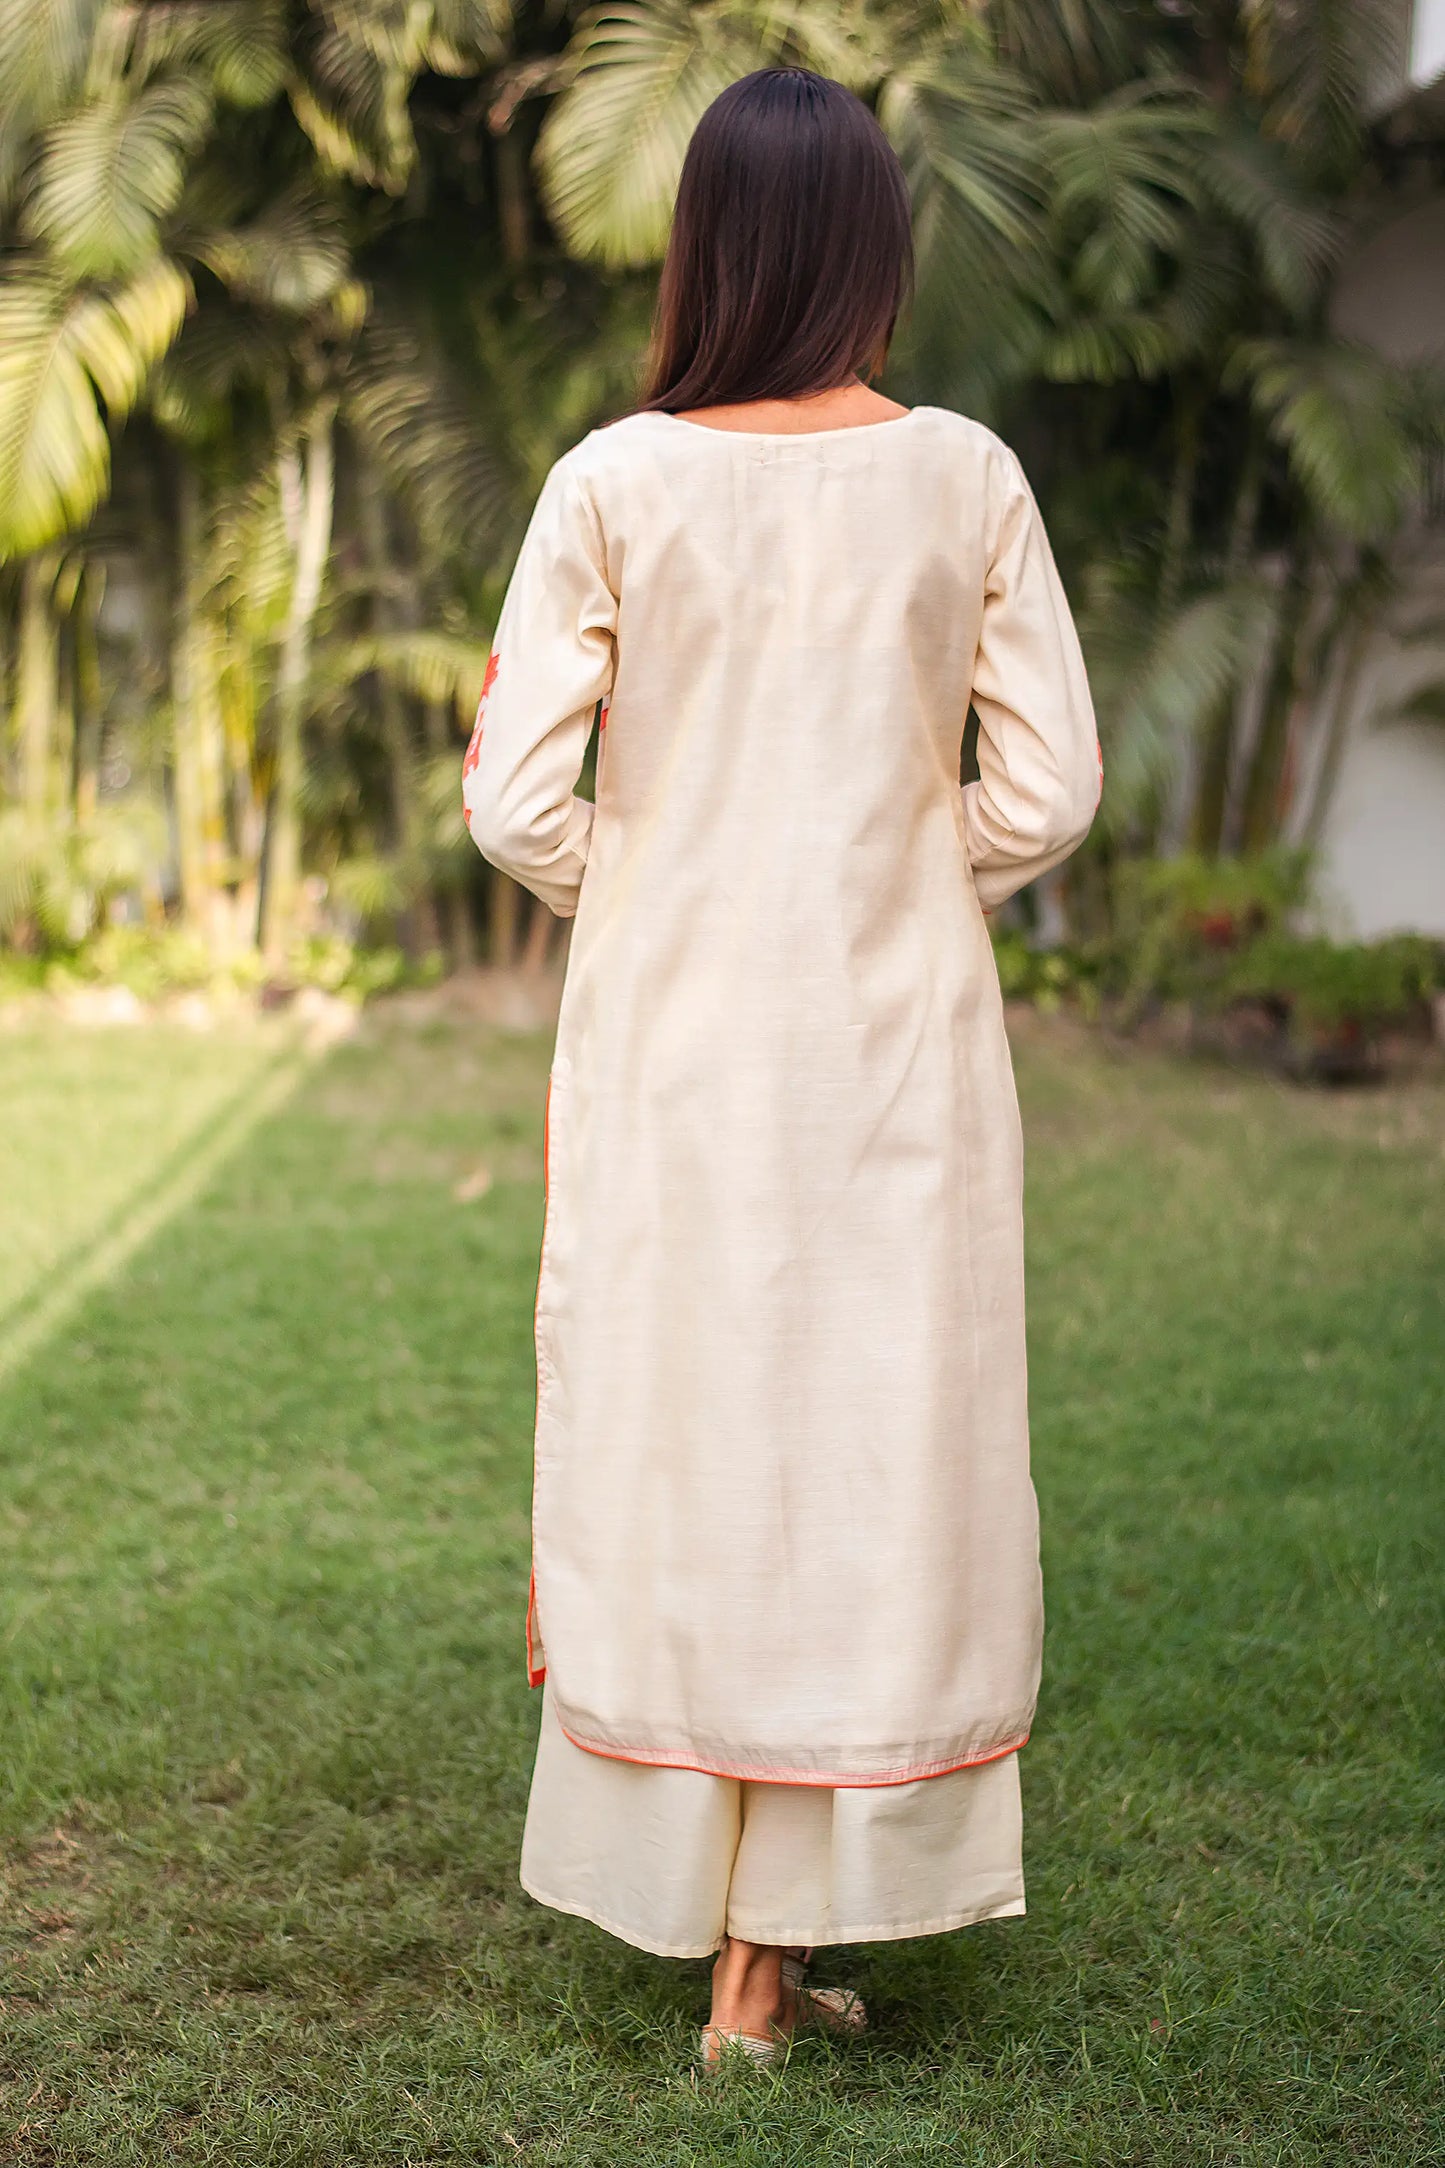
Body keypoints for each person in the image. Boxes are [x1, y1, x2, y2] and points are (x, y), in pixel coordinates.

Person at [462, 66, 1100, 2071]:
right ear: (875, 256)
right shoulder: (966, 475)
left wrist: (642, 882)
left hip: (672, 1040)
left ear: (705, 250)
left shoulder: (612, 482)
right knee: (870, 1458)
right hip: (896, 1042)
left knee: (695, 1442)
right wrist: (916, 877)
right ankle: (778, 1943)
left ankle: (738, 1938)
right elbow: (1054, 785)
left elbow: (508, 801)